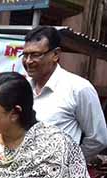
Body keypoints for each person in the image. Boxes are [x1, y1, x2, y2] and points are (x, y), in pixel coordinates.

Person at [22, 25, 107, 161]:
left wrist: (69, 164)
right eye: (25, 55)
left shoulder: (79, 88)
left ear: (55, 54)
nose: (28, 61)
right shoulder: (22, 87)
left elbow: (98, 139)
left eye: (35, 55)